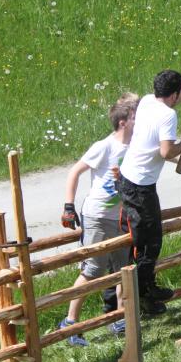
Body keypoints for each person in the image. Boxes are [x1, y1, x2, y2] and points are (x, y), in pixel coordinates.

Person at [118, 66, 181, 315]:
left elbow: (177, 97)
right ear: (173, 95)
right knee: (149, 243)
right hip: (140, 186)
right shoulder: (168, 116)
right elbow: (166, 152)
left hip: (130, 178)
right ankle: (143, 294)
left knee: (148, 239)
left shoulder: (146, 101)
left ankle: (146, 287)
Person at [58, 93, 139, 345]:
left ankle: (119, 318)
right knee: (93, 269)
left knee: (122, 269)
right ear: (123, 121)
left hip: (121, 216)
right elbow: (75, 172)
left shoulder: (136, 145)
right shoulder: (104, 146)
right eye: (136, 116)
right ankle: (70, 322)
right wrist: (68, 205)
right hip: (97, 216)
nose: (141, 120)